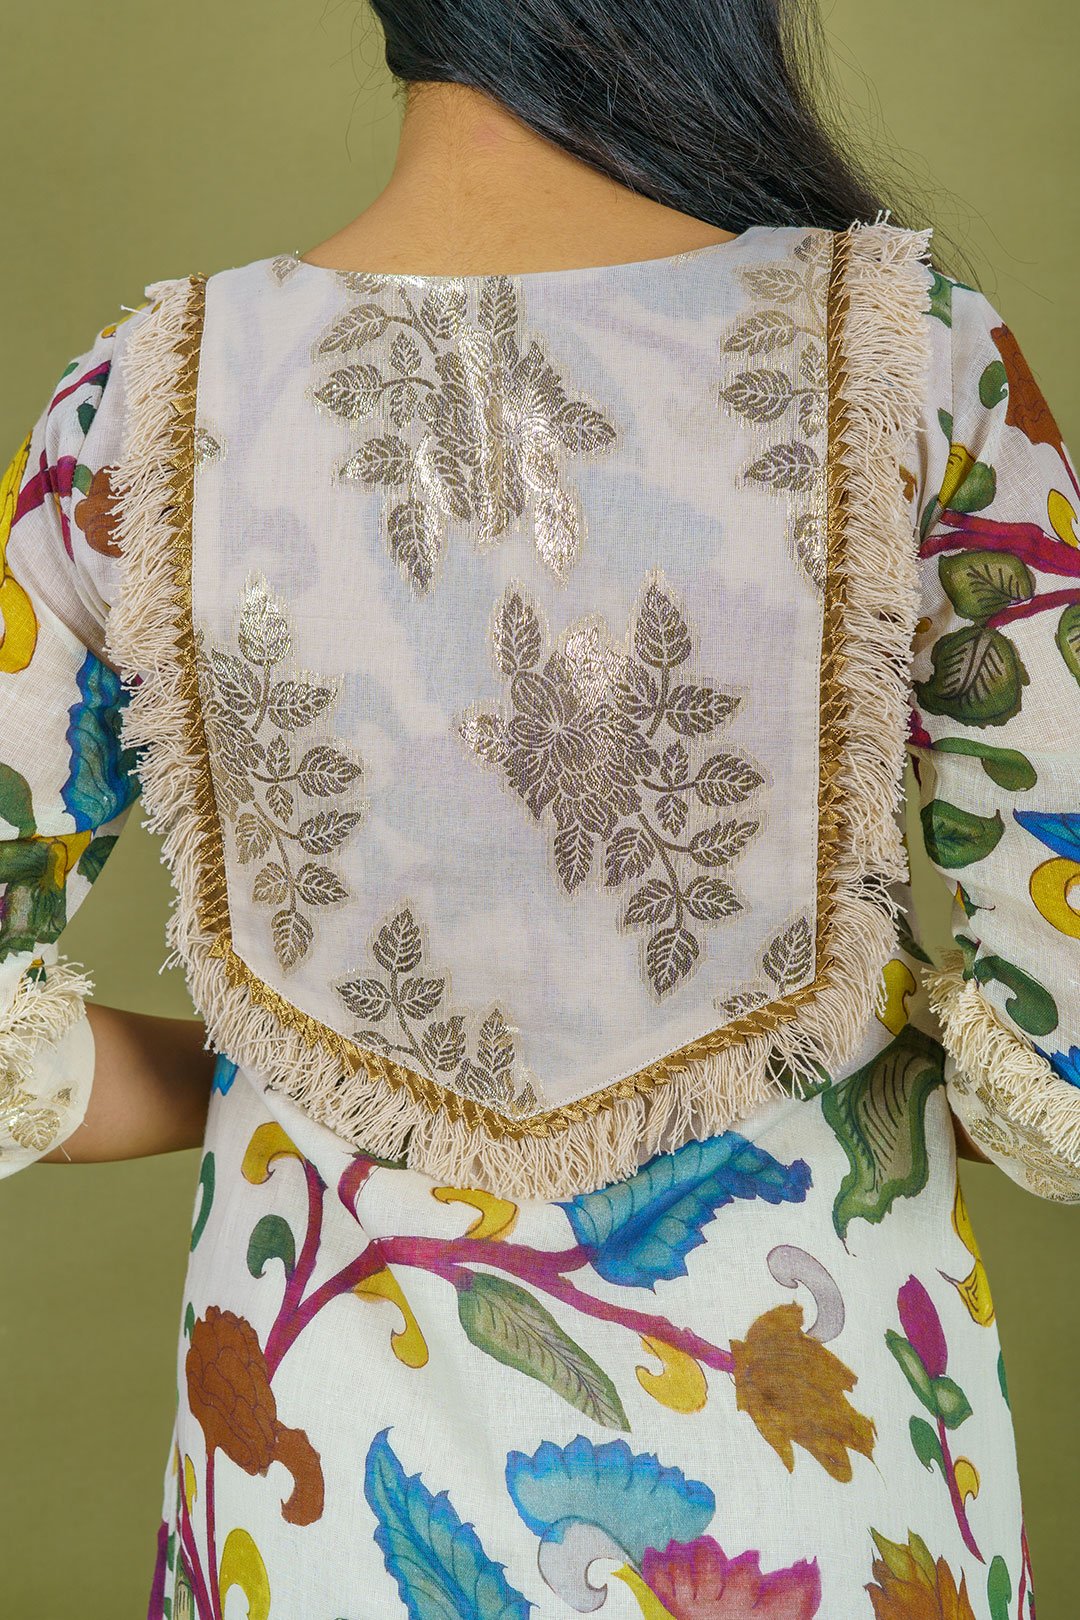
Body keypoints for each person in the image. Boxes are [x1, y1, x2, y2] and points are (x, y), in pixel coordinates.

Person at [2, 3, 1076, 1613]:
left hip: (312, 1516)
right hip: (818, 1503)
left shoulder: (136, 410)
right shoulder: (914, 360)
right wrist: (865, 1063)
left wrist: (264, 1064)